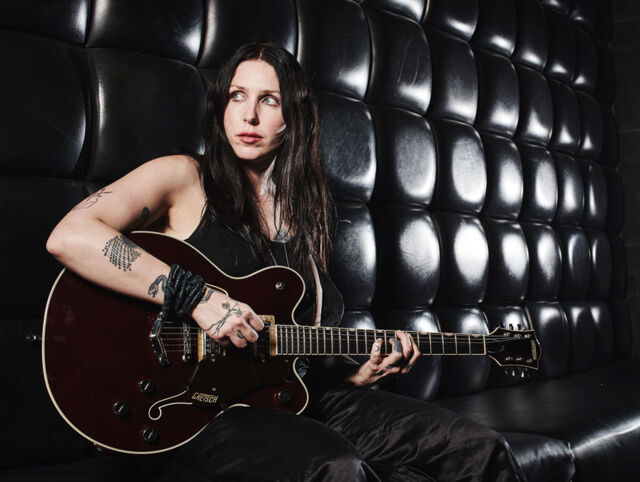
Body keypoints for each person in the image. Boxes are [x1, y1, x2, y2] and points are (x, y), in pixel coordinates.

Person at [47, 42, 523, 481]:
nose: (249, 114)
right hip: (200, 407)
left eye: (269, 100)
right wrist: (196, 298)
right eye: (237, 96)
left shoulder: (305, 213)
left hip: (293, 400)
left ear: (295, 117)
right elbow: (71, 235)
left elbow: (292, 346)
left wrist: (356, 375)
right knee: (339, 471)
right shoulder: (183, 177)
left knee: (482, 451)